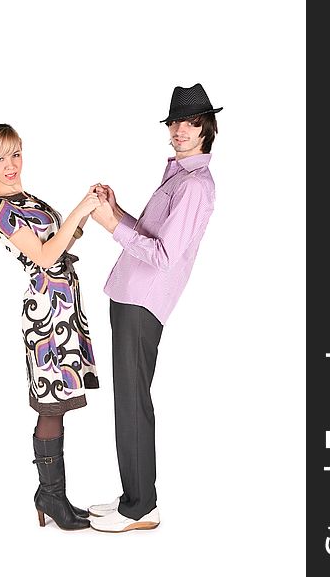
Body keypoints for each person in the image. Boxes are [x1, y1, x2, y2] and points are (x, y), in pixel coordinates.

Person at [88, 83, 223, 532]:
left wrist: (112, 228)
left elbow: (165, 257)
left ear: (207, 128)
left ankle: (141, 507)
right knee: (127, 400)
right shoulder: (178, 177)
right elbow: (151, 234)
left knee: (133, 403)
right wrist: (116, 210)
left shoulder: (196, 186)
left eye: (190, 122)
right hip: (129, 295)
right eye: (174, 122)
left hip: (144, 304)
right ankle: (133, 495)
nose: (180, 130)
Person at [0, 123, 101, 531]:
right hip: (48, 313)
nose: (10, 165)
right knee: (52, 404)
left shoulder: (24, 198)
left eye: (15, 154)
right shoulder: (2, 208)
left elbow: (58, 242)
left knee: (60, 403)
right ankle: (50, 495)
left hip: (63, 307)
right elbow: (46, 257)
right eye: (0, 158)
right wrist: (79, 210)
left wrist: (89, 211)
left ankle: (53, 495)